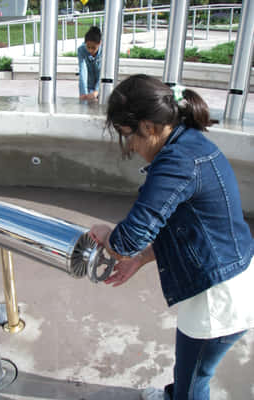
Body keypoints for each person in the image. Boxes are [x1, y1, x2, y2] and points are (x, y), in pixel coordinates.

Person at [89, 74, 254, 400]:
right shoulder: (190, 142)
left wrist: (108, 236)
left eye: (128, 135)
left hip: (216, 300)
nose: (131, 147)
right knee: (189, 370)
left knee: (194, 381)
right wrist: (141, 260)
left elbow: (125, 241)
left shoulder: (177, 162)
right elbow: (186, 227)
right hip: (224, 280)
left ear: (149, 126)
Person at [77, 26, 102, 101]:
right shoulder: (81, 50)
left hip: (102, 85)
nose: (90, 50)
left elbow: (102, 73)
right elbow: (83, 70)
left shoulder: (105, 51)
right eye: (88, 47)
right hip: (88, 85)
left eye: (93, 48)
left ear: (99, 43)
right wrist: (83, 94)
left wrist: (97, 91)